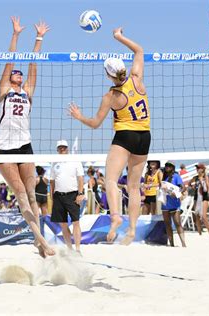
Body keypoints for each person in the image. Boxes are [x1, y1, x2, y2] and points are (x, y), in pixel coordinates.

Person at [69, 27, 150, 245]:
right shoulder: (136, 79)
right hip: (145, 135)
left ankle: (115, 217)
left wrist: (79, 116)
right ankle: (132, 230)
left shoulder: (111, 96)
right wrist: (119, 37)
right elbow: (139, 51)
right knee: (134, 186)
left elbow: (95, 124)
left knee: (111, 179)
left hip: (125, 135)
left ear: (108, 75)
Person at [0, 17, 53, 258]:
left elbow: (33, 66)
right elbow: (9, 62)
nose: (17, 74)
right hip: (5, 149)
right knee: (20, 195)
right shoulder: (4, 91)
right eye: (14, 74)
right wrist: (16, 34)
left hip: (25, 146)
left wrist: (39, 39)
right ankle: (39, 240)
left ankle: (40, 241)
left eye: (19, 74)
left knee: (32, 195)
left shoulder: (27, 92)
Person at [50, 140, 85, 253]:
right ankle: (70, 249)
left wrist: (80, 193)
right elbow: (52, 181)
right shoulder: (54, 163)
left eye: (64, 147)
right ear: (57, 149)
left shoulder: (75, 160)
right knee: (63, 225)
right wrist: (52, 196)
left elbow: (80, 178)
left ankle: (78, 249)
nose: (62, 149)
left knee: (76, 222)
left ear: (67, 148)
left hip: (73, 195)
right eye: (60, 147)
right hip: (58, 196)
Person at [161, 162, 186, 247]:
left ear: (173, 167)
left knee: (177, 223)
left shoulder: (176, 176)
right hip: (165, 203)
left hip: (174, 203)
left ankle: (183, 243)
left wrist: (177, 193)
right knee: (167, 224)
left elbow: (183, 187)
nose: (167, 167)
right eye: (166, 166)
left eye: (169, 166)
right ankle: (171, 244)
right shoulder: (164, 177)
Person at [189, 163, 209, 235]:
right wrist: (192, 186)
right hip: (196, 197)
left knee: (204, 216)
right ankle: (199, 233)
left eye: (198, 168)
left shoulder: (206, 177)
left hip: (204, 197)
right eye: (197, 168)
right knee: (197, 215)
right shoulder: (195, 178)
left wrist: (202, 181)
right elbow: (189, 183)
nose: (197, 169)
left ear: (202, 169)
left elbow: (207, 187)